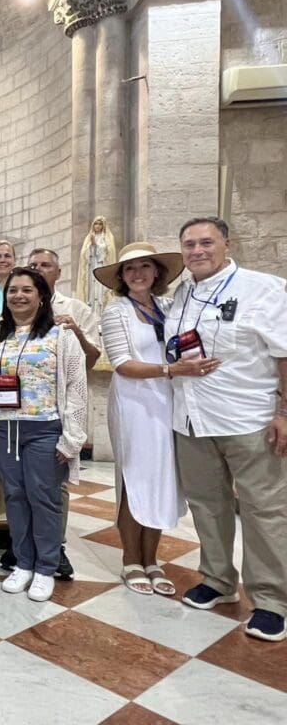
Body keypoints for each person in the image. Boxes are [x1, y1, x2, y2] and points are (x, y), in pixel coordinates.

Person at [167, 217, 287, 642]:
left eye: (206, 243)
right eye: (189, 244)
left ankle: (271, 600)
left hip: (248, 418)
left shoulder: (263, 287)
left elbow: (284, 352)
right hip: (192, 419)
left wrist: (283, 412)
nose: (197, 251)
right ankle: (217, 580)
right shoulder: (181, 294)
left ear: (226, 244)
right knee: (207, 504)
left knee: (264, 510)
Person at [0, 267, 88, 602]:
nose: (19, 296)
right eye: (13, 291)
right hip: (4, 426)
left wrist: (72, 438)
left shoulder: (60, 334)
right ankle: (23, 562)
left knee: (44, 498)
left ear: (42, 297)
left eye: (27, 290)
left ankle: (46, 566)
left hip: (44, 429)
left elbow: (77, 387)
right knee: (15, 497)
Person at [96, 243, 194, 596]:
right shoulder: (116, 311)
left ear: (157, 272)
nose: (137, 274)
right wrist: (171, 368)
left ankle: (153, 560)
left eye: (144, 267)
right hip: (134, 405)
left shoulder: (171, 307)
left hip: (168, 401)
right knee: (133, 480)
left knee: (162, 480)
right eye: (129, 269)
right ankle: (131, 560)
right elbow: (122, 363)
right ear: (121, 277)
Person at [26, 246, 101, 579]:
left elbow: (92, 360)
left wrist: (77, 332)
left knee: (54, 486)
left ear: (58, 271)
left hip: (59, 410)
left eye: (46, 265)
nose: (40, 269)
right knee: (23, 486)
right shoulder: (18, 304)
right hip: (25, 411)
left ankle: (56, 550)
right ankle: (25, 547)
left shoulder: (76, 308)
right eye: (33, 265)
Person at [77, 215, 117, 317]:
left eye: (100, 224)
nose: (97, 226)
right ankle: (91, 313)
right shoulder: (88, 238)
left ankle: (100, 314)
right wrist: (90, 248)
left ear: (103, 225)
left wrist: (96, 245)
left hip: (101, 267)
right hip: (91, 267)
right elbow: (83, 254)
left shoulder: (107, 237)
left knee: (100, 291)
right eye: (96, 223)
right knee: (91, 291)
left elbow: (109, 252)